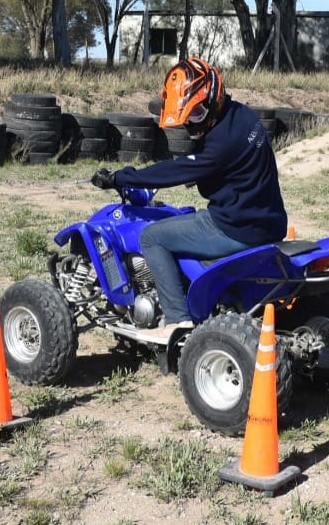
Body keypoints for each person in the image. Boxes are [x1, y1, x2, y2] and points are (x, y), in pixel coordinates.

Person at [91, 57, 287, 340]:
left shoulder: (220, 143)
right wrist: (210, 175)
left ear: (214, 96)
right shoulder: (243, 116)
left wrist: (122, 177)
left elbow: (176, 170)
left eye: (196, 114)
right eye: (187, 119)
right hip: (269, 221)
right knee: (183, 219)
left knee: (153, 237)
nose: (193, 126)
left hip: (236, 226)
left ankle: (176, 319)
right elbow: (239, 167)